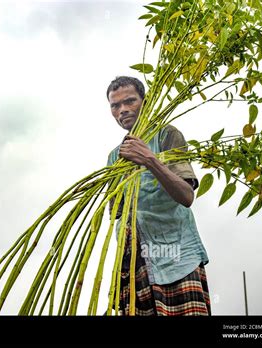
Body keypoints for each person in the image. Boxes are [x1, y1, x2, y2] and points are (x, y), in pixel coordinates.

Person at [105, 76, 210, 316]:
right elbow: (118, 215)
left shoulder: (167, 136)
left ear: (145, 101)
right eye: (115, 106)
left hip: (176, 258)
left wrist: (149, 159)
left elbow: (186, 196)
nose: (123, 110)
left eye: (130, 101)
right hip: (135, 264)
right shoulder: (114, 158)